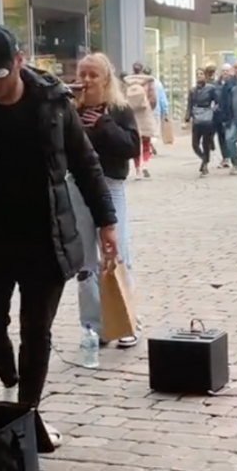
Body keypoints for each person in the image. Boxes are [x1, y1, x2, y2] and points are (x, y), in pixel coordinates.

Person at [0, 25, 118, 450]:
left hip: (45, 238)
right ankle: (11, 382)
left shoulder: (53, 103)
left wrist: (107, 221)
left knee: (36, 332)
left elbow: (86, 163)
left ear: (18, 62)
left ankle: (26, 413)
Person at [73, 53, 141, 350]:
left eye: (93, 75)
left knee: (116, 253)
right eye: (82, 74)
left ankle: (127, 322)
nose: (86, 80)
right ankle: (95, 326)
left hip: (110, 185)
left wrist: (104, 125)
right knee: (84, 262)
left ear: (106, 79)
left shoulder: (119, 108)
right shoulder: (69, 109)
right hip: (76, 188)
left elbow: (131, 147)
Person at [122, 66, 158, 179]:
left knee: (136, 142)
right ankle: (145, 165)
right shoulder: (148, 82)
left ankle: (138, 170)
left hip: (132, 115)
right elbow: (153, 100)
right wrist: (149, 109)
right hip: (145, 113)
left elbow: (123, 98)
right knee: (146, 141)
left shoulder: (127, 82)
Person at [186, 66, 221, 176]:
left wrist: (212, 111)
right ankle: (204, 159)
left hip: (207, 119)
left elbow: (218, 102)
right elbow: (189, 105)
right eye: (197, 74)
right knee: (195, 144)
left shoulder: (211, 88)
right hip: (197, 119)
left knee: (206, 143)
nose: (199, 76)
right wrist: (187, 117)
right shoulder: (192, 90)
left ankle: (205, 165)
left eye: (201, 74)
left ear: (205, 76)